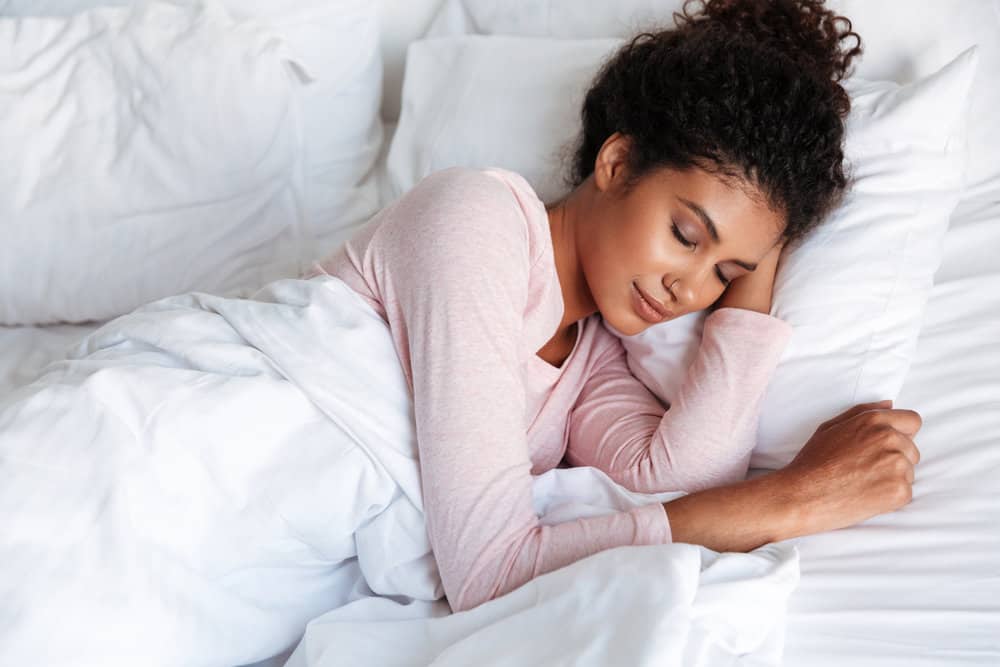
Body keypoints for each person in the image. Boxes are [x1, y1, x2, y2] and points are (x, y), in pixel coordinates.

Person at [306, 0, 922, 613]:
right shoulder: (475, 219)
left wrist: (759, 264)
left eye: (725, 274)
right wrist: (798, 497)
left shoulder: (591, 360)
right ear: (617, 161)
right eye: (686, 236)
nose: (690, 290)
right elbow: (489, 573)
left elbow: (687, 480)